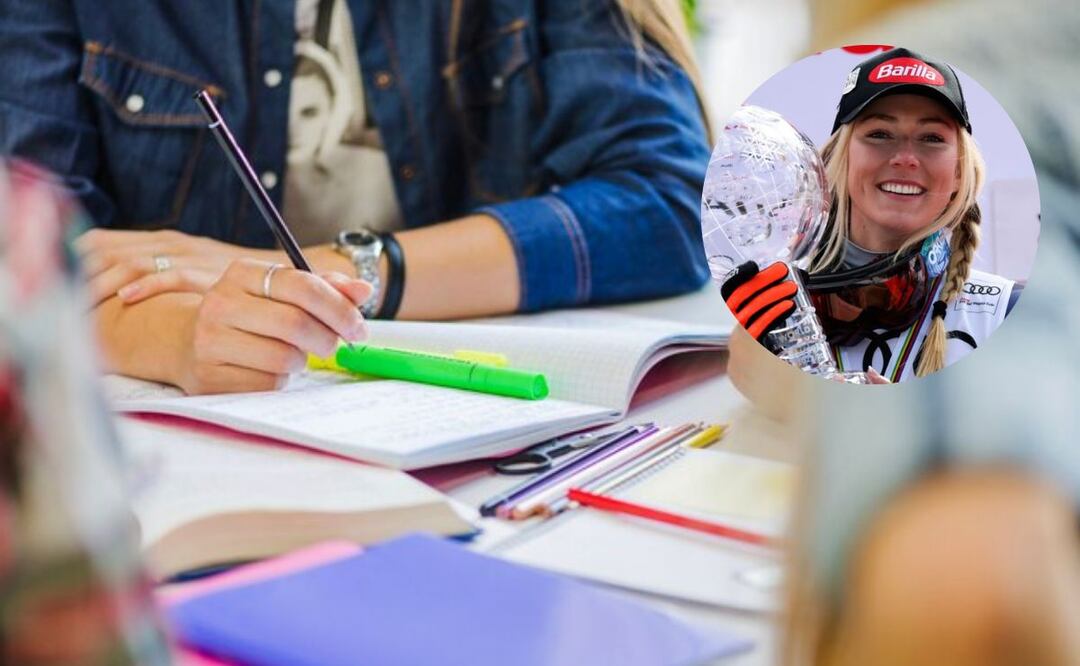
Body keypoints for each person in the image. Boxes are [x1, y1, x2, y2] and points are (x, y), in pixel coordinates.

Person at [0, 0, 711, 395]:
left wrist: (332, 275)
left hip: (456, 427)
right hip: (192, 444)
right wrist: (176, 337)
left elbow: (671, 204)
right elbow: (20, 255)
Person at [722, 47, 1018, 383]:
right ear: (839, 158)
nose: (905, 157)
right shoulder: (777, 306)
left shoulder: (1007, 313)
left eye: (932, 138)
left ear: (960, 173)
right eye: (879, 134)